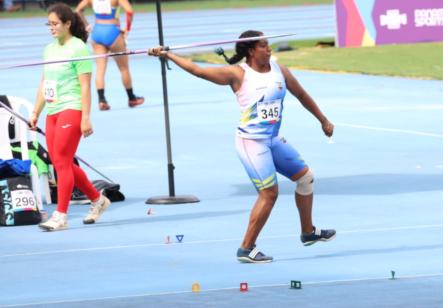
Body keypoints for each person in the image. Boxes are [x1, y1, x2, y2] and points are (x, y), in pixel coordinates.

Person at [148, 30, 336, 263]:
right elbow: (199, 71)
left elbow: (301, 94)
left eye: (269, 45)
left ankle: (308, 232)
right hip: (251, 142)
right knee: (269, 193)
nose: (269, 50)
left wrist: (323, 120)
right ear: (251, 50)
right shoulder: (237, 74)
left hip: (273, 139)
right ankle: (246, 248)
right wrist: (168, 55)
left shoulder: (280, 70)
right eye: (264, 46)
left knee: (306, 178)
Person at [30, 3, 111, 231]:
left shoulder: (79, 48)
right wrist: (36, 111)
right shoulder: (49, 49)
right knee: (59, 161)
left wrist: (86, 117)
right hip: (53, 111)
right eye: (49, 24)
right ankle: (98, 199)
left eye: (55, 23)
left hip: (72, 109)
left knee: (63, 163)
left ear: (67, 24)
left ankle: (60, 216)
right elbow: (44, 83)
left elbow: (85, 87)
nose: (51, 28)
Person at [75, 0, 144, 111]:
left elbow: (78, 11)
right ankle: (132, 98)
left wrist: (87, 25)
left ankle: (101, 100)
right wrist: (127, 29)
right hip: (113, 31)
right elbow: (129, 11)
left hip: (97, 31)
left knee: (100, 69)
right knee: (123, 68)